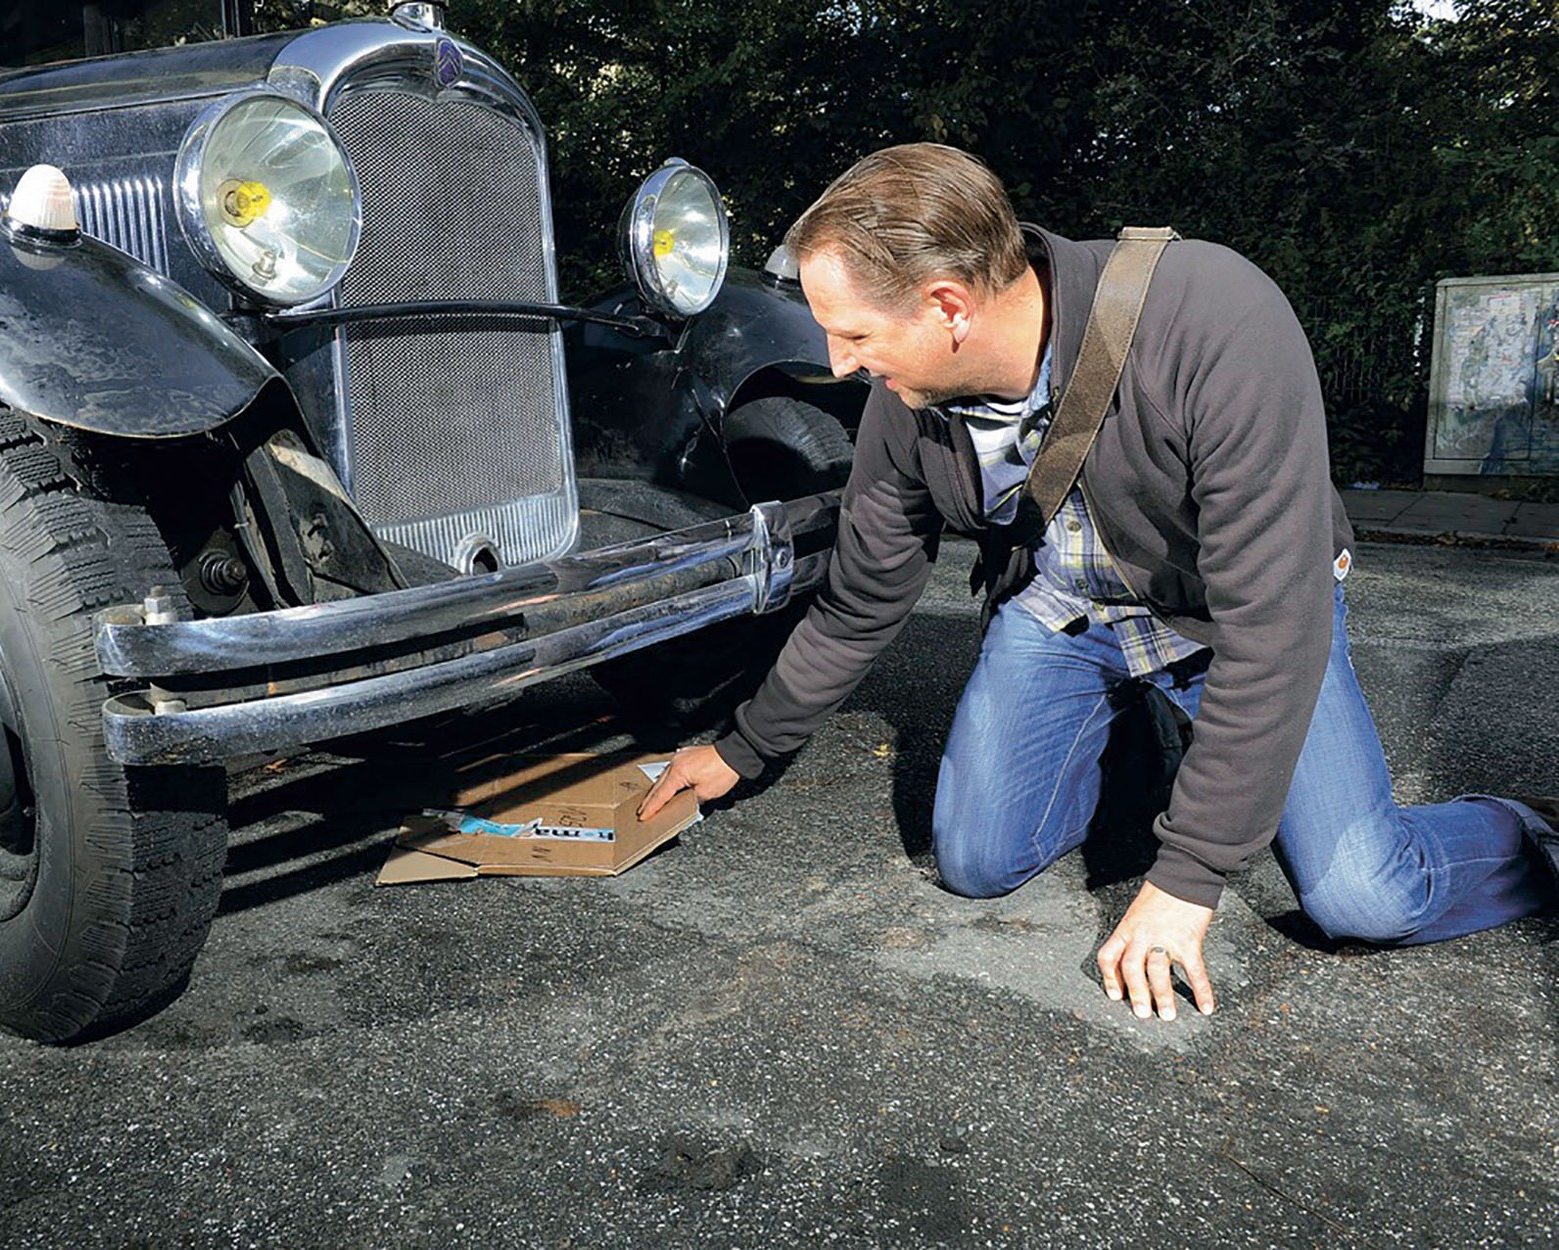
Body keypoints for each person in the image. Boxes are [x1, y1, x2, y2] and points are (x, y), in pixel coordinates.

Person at [637, 143, 1558, 1023]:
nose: (841, 364)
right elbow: (864, 597)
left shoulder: (1211, 317)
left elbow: (1274, 625)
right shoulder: (903, 401)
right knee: (977, 861)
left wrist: (1187, 875)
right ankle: (1133, 736)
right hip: (1069, 610)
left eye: (854, 334)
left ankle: (1521, 828)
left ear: (948, 306)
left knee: (1366, 897)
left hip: (1224, 619)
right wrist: (744, 747)